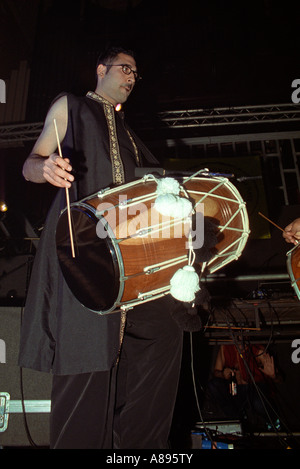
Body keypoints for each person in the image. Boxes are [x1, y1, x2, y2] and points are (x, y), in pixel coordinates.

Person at [18, 46, 185, 449]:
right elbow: (31, 163)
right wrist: (45, 168)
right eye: (125, 68)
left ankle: (137, 447)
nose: (131, 77)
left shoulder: (130, 134)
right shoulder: (70, 107)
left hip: (133, 255)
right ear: (100, 70)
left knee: (166, 329)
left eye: (135, 73)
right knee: (87, 354)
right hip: (84, 250)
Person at [204, 342, 281, 431]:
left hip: (254, 389)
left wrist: (273, 376)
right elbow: (216, 372)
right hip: (236, 390)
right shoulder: (225, 347)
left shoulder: (258, 350)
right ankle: (237, 420)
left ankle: (273, 421)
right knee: (214, 385)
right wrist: (223, 374)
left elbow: (280, 379)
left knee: (257, 402)